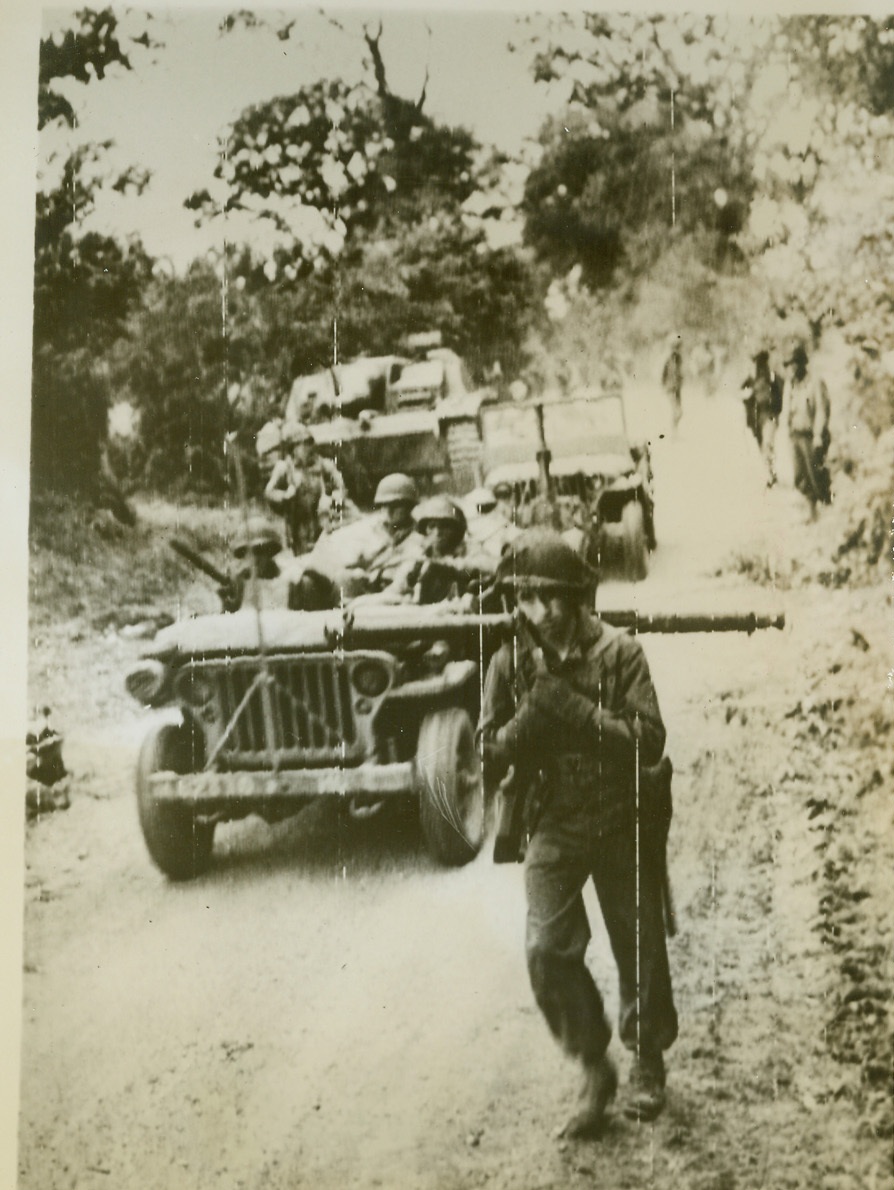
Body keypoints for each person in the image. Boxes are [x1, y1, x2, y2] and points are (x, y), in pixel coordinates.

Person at [479, 530, 676, 1138]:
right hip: (555, 817)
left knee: (637, 939)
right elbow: (485, 750)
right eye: (526, 599)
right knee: (545, 948)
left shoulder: (620, 654)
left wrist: (576, 713)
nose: (539, 612)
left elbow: (649, 739)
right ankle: (593, 1063)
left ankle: (646, 1058)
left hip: (621, 813)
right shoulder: (510, 664)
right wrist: (520, 729)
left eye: (550, 599)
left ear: (577, 599)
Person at [290, 473, 426, 609]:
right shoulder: (368, 527)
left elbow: (404, 583)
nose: (389, 511)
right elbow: (332, 555)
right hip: (357, 590)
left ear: (409, 506)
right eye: (384, 505)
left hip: (388, 596)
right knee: (314, 580)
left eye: (396, 505)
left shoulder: (420, 539)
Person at [359, 495, 496, 606]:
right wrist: (364, 603)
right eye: (432, 526)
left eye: (445, 526)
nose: (438, 532)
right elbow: (398, 589)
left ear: (457, 530)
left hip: (461, 616)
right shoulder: (420, 554)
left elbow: (489, 567)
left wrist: (447, 567)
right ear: (425, 531)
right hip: (427, 616)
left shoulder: (469, 548)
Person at [264, 422, 345, 553]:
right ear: (293, 448)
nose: (307, 448)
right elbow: (269, 492)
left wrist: (332, 498)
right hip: (298, 521)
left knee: (326, 549)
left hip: (321, 516)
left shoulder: (323, 464)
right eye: (302, 444)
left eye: (308, 443)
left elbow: (340, 485)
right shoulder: (284, 468)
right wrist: (285, 496)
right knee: (302, 554)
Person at [785, 344, 832, 516]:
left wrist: (819, 435)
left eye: (794, 363)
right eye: (789, 364)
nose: (791, 368)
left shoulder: (815, 382)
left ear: (802, 364)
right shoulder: (791, 384)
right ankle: (811, 512)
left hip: (811, 436)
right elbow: (787, 409)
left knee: (816, 475)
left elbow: (822, 409)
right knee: (800, 476)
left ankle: (826, 511)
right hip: (796, 435)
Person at [741, 350, 784, 487]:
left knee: (767, 444)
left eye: (761, 363)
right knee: (762, 446)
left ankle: (770, 476)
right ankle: (771, 473)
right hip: (756, 418)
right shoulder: (752, 379)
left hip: (769, 416)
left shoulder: (773, 378)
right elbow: (742, 393)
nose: (760, 366)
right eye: (758, 364)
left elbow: (781, 395)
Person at [661, 334, 684, 430]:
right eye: (675, 346)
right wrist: (664, 385)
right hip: (670, 387)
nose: (677, 349)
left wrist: (681, 381)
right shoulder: (667, 358)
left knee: (679, 412)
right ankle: (673, 431)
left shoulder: (679, 358)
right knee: (677, 411)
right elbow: (663, 374)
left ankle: (674, 430)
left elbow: (680, 372)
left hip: (677, 387)